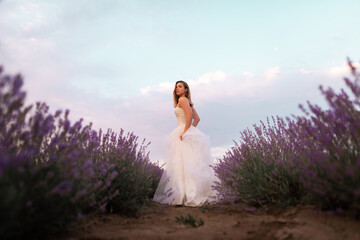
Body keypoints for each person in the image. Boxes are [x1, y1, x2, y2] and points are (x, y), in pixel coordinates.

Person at [152, 80, 220, 207]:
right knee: (188, 165)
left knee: (181, 165)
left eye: (180, 86)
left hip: (182, 132)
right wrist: (190, 131)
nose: (177, 89)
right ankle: (188, 195)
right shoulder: (188, 102)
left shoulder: (183, 100)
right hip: (185, 132)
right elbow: (197, 119)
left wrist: (185, 131)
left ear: (186, 89)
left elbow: (190, 116)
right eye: (176, 87)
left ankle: (183, 196)